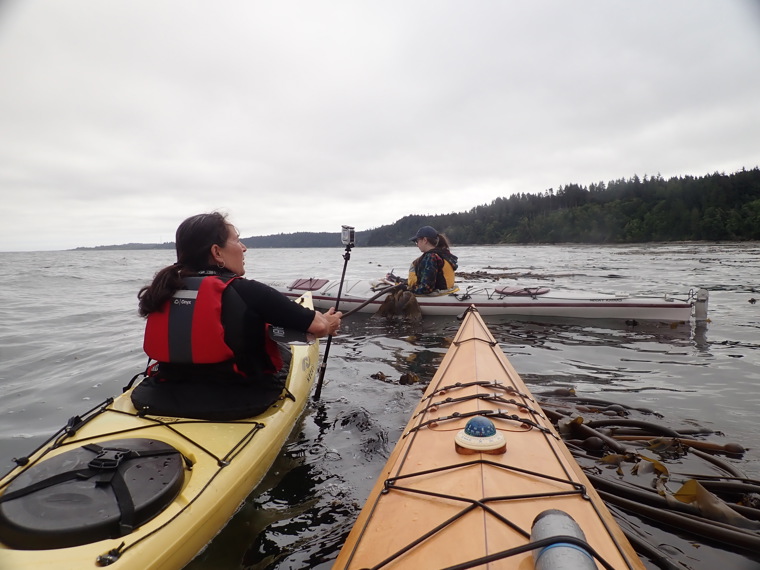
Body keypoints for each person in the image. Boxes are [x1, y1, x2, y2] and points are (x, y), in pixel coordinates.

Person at [131, 212, 342, 420]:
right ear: (217, 252)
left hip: (159, 396)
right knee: (282, 350)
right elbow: (319, 327)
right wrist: (329, 322)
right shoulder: (248, 291)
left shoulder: (163, 290)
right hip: (238, 401)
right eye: (237, 240)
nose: (244, 248)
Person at [407, 226, 459, 295]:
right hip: (447, 292)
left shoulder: (431, 257)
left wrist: (407, 290)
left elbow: (426, 288)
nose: (417, 245)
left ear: (425, 240)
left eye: (417, 241)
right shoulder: (444, 254)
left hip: (438, 296)